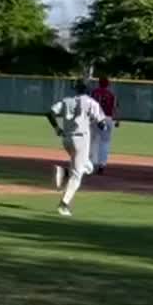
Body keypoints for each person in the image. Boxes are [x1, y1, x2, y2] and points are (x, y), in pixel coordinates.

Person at [48, 80, 110, 216]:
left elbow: (50, 112)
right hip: (81, 140)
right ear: (88, 91)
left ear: (76, 90)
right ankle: (64, 205)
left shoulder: (67, 101)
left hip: (67, 139)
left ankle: (64, 173)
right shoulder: (91, 102)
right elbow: (102, 124)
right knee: (77, 176)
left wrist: (57, 128)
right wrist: (103, 126)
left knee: (88, 167)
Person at [88, 75, 119, 174]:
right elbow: (115, 108)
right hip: (107, 118)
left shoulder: (93, 93)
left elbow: (89, 106)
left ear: (99, 83)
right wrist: (117, 120)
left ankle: (90, 163)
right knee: (105, 142)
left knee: (92, 141)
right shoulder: (112, 95)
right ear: (108, 84)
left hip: (94, 118)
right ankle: (102, 165)